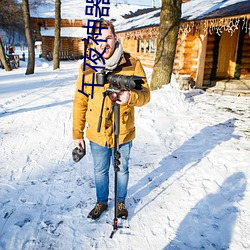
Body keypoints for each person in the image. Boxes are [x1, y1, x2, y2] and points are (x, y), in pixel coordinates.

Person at [72, 20, 150, 220]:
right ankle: (101, 202)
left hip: (123, 130)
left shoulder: (132, 64)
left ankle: (121, 202)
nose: (103, 44)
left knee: (121, 169)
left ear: (115, 38)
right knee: (100, 170)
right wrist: (77, 134)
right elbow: (80, 101)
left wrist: (130, 97)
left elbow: (145, 95)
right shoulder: (87, 67)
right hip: (97, 133)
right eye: (98, 40)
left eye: (108, 38)